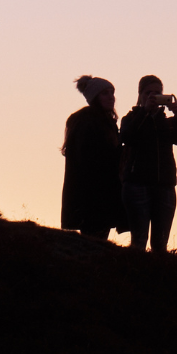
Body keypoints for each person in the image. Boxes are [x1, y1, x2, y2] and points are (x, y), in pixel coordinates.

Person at [119, 75, 177, 252]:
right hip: (137, 184)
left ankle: (157, 268)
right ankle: (135, 267)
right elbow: (127, 137)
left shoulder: (167, 123)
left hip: (165, 185)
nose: (152, 97)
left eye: (157, 93)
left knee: (160, 244)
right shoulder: (131, 118)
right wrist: (144, 112)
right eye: (148, 93)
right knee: (139, 240)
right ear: (140, 96)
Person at [61, 76, 124, 242]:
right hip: (91, 195)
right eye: (105, 93)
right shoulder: (86, 120)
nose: (111, 97)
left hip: (104, 192)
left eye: (112, 93)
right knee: (92, 241)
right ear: (95, 97)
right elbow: (87, 158)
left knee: (97, 240)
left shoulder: (106, 121)